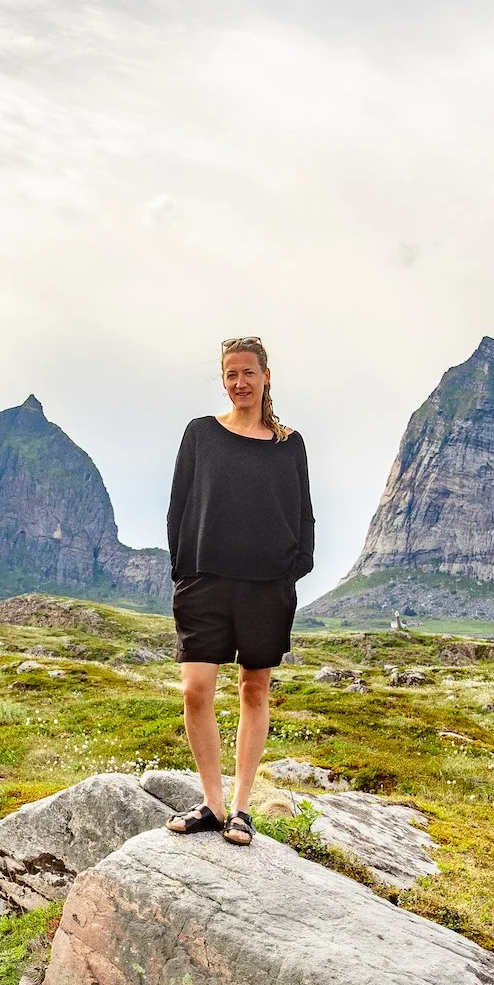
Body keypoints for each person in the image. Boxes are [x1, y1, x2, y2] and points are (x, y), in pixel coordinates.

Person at [163, 336, 314, 845]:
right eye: (231, 374)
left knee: (254, 688)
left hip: (265, 587)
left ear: (266, 376)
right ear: (223, 379)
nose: (239, 383)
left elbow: (303, 515)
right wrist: (183, 572)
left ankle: (242, 809)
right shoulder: (201, 434)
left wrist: (291, 571)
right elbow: (179, 504)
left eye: (248, 373)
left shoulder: (288, 444)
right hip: (205, 581)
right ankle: (212, 801)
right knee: (196, 689)